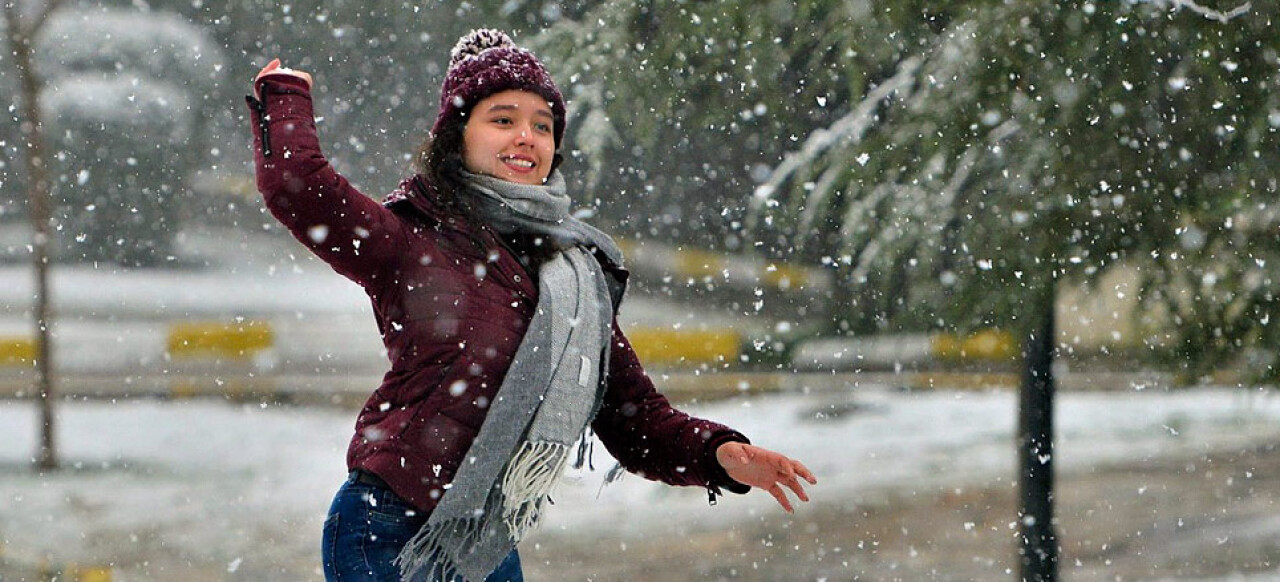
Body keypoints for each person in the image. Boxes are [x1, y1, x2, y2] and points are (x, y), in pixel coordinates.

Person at [246, 28, 816, 582]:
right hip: (386, 526)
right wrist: (287, 96)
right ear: (457, 136)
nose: (526, 137)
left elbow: (635, 416)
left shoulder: (573, 280)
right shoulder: (411, 240)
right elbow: (298, 187)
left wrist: (721, 455)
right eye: (503, 120)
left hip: (482, 542)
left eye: (542, 126)